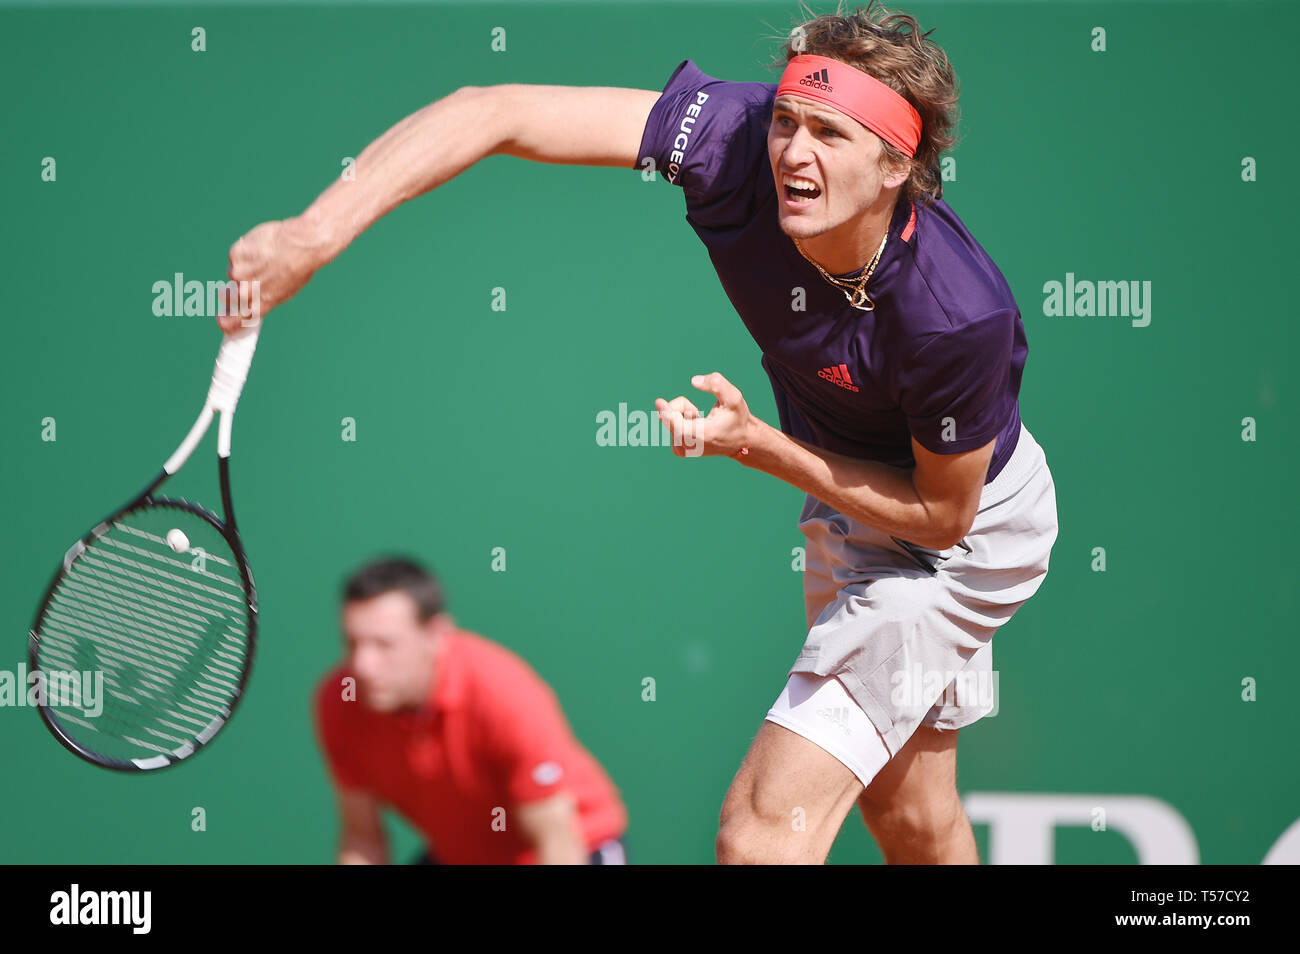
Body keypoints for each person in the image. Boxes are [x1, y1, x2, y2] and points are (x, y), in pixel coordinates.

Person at [228, 1, 1058, 864]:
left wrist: (760, 446)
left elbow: (942, 518)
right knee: (915, 820)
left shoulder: (957, 316)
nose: (793, 155)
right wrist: (312, 235)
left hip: (957, 540)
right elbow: (497, 109)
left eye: (829, 135)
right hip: (858, 510)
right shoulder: (731, 140)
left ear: (898, 164)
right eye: (786, 121)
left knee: (763, 833)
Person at [313, 557, 628, 864]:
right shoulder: (341, 701)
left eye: (384, 645)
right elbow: (363, 838)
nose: (363, 666)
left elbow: (557, 844)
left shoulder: (503, 697)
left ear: (436, 635)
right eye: (353, 643)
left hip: (577, 848)